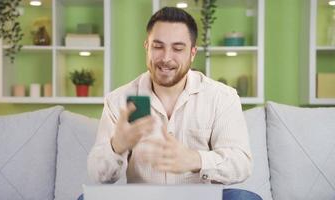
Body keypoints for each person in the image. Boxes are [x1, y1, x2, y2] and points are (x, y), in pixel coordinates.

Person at [86, 6, 262, 200]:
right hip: (142, 198)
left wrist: (194, 159)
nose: (166, 58)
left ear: (193, 53)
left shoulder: (222, 97)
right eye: (158, 46)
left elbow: (241, 164)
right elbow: (98, 176)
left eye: (177, 48)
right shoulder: (117, 100)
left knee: (245, 198)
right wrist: (116, 146)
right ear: (147, 47)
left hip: (199, 198)